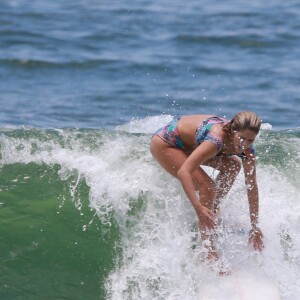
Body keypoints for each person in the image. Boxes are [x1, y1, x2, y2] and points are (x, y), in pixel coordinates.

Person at [150, 111, 264, 261]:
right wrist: (198, 207)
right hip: (166, 143)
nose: (244, 144)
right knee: (208, 186)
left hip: (191, 144)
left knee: (234, 166)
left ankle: (211, 211)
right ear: (232, 131)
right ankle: (209, 252)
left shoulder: (247, 150)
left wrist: (254, 227)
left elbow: (252, 187)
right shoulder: (216, 140)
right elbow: (184, 172)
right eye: (242, 138)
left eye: (250, 140)